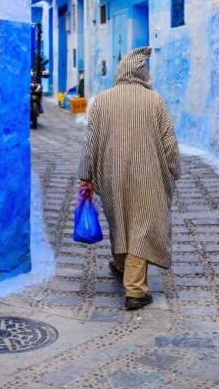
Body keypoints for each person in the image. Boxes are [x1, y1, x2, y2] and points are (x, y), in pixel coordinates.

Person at [78, 48, 180, 310]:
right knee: (142, 223)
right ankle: (135, 290)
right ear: (141, 73)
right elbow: (169, 142)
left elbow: (90, 142)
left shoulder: (101, 100)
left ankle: (121, 264)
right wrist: (173, 170)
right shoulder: (154, 100)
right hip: (148, 175)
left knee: (120, 219)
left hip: (111, 174)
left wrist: (86, 176)